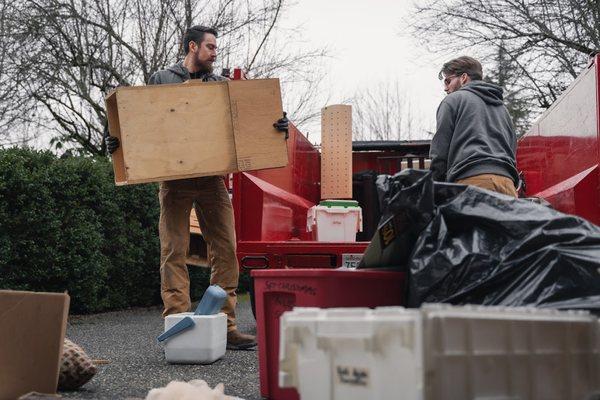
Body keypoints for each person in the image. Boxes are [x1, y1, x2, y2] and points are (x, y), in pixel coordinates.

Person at [106, 25, 289, 350]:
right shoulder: (162, 80)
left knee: (225, 249)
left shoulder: (221, 85)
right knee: (173, 251)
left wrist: (275, 126)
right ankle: (178, 324)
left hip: (211, 180)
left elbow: (247, 120)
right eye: (211, 47)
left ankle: (226, 326)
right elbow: (143, 124)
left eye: (216, 47)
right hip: (174, 181)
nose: (215, 53)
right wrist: (117, 142)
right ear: (193, 47)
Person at [429, 56, 518, 197]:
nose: (446, 88)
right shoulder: (503, 109)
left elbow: (440, 150)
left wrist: (435, 188)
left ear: (464, 78)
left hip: (472, 183)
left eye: (448, 81)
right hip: (507, 185)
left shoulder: (453, 100)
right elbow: (512, 148)